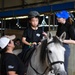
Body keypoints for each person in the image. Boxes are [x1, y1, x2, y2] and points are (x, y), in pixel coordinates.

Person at [55, 10, 75, 75]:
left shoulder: (70, 27)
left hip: (65, 47)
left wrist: (62, 40)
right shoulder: (59, 26)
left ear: (64, 18)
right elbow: (57, 36)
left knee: (64, 68)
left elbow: (74, 41)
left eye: (59, 17)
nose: (57, 18)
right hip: (57, 46)